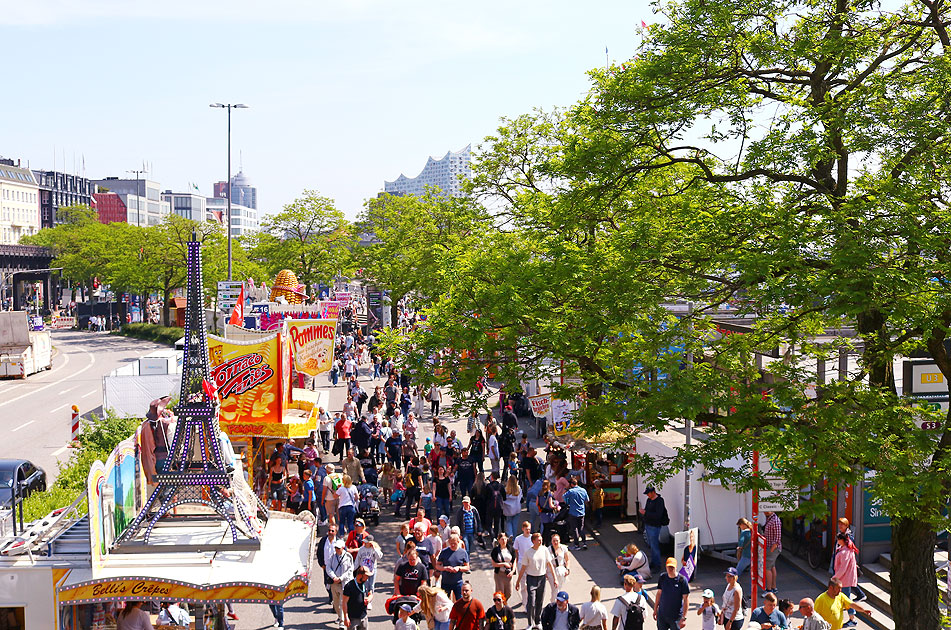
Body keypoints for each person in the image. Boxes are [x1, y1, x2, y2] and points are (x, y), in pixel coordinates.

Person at [516, 532, 556, 630]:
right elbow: (523, 568)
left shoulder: (544, 550)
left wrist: (555, 578)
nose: (540, 541)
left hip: (541, 578)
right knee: (531, 602)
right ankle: (530, 623)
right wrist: (518, 581)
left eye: (541, 539)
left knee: (540, 601)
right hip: (531, 578)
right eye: (538, 540)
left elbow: (550, 564)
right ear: (533, 541)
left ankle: (538, 621)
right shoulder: (528, 552)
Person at [832, 533, 860, 627]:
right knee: (845, 599)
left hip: (844, 579)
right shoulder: (848, 549)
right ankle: (851, 618)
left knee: (846, 599)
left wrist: (835, 577)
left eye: (838, 539)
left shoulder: (845, 552)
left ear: (841, 540)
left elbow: (843, 568)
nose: (837, 541)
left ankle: (852, 619)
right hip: (845, 578)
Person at [654, 557, 689, 630]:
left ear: (676, 567)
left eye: (672, 567)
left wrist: (684, 617)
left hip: (676, 617)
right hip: (662, 615)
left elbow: (686, 600)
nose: (670, 569)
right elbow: (659, 594)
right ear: (666, 567)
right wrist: (655, 609)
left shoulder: (682, 580)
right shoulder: (662, 577)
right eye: (669, 567)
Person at [639, 486, 668, 571]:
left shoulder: (659, 501)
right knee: (651, 545)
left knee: (654, 545)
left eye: (648, 493)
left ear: (653, 492)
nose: (647, 495)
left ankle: (657, 565)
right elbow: (647, 510)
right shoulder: (649, 500)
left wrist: (645, 513)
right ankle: (653, 562)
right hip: (648, 524)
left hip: (655, 526)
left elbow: (658, 515)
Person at [328, 539, 355, 628]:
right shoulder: (332, 556)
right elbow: (328, 568)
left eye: (338, 548)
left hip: (344, 584)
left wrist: (341, 578)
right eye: (335, 548)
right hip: (334, 584)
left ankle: (342, 622)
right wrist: (334, 577)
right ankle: (340, 617)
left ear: (343, 548)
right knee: (336, 603)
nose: (336, 549)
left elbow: (350, 570)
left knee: (342, 602)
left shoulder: (348, 556)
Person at [437, 534, 472, 601]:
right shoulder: (444, 552)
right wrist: (445, 568)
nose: (452, 545)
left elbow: (467, 567)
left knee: (460, 601)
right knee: (444, 601)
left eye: (454, 543)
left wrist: (459, 568)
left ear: (458, 542)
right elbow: (437, 565)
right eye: (451, 543)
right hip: (445, 582)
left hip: (458, 582)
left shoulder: (463, 552)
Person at [354, 535, 383, 604]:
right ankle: (364, 598)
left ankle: (369, 601)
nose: (365, 543)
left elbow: (379, 557)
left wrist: (374, 548)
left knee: (371, 585)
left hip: (372, 570)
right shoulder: (361, 549)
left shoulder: (374, 549)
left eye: (367, 542)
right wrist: (354, 569)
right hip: (364, 570)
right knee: (365, 584)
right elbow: (357, 560)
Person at [342, 565, 373, 630]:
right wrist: (346, 617)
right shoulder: (349, 586)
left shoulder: (366, 583)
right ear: (360, 575)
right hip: (353, 618)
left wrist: (369, 598)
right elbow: (344, 602)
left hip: (364, 617)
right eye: (366, 576)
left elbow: (370, 593)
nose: (367, 578)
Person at [563, 476, 589, 550]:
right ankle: (584, 543)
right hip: (581, 512)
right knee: (581, 528)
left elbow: (563, 497)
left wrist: (566, 489)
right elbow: (587, 500)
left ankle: (576, 545)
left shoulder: (571, 491)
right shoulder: (583, 490)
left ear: (571, 484)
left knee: (574, 529)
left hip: (573, 512)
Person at [491, 532, 516, 602]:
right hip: (499, 574)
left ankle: (503, 603)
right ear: (498, 540)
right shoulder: (495, 550)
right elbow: (494, 564)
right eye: (502, 539)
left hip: (508, 574)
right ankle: (500, 606)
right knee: (500, 593)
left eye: (505, 539)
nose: (504, 541)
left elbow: (514, 560)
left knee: (509, 593)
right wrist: (503, 564)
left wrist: (513, 571)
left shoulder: (511, 549)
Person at [548, 533, 571, 603]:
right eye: (554, 541)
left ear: (559, 540)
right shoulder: (548, 550)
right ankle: (553, 602)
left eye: (557, 540)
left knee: (558, 588)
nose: (555, 542)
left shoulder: (563, 548)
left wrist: (567, 569)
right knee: (555, 588)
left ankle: (555, 602)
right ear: (551, 541)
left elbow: (567, 560)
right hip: (551, 571)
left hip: (561, 570)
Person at [763, 510, 782, 593]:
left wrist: (771, 550)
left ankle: (769, 589)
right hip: (770, 547)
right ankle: (773, 587)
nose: (765, 512)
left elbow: (777, 539)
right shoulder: (770, 518)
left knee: (767, 568)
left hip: (772, 548)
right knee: (772, 567)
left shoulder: (775, 520)